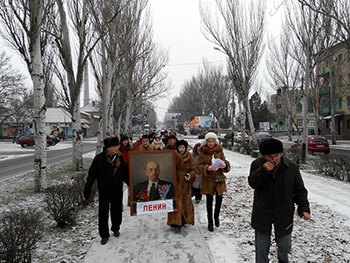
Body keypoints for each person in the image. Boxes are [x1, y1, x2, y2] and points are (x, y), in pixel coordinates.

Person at [248, 138, 311, 263]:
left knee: (284, 246)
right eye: (270, 156)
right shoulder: (257, 165)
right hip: (263, 211)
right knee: (261, 247)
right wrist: (263, 170)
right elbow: (253, 183)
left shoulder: (291, 167)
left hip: (284, 212)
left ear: (281, 154)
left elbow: (299, 190)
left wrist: (304, 208)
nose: (274, 159)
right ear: (264, 156)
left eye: (276, 155)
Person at [84, 136, 129, 245]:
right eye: (114, 146)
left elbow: (126, 174)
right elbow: (92, 175)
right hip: (104, 190)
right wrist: (88, 188)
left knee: (117, 210)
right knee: (103, 212)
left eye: (117, 146)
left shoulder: (120, 158)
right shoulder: (99, 159)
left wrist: (132, 185)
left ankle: (116, 228)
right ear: (108, 148)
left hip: (117, 189)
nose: (116, 148)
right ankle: (104, 234)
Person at [197, 132, 230, 232]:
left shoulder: (219, 150)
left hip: (219, 178)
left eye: (212, 141)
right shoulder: (202, 151)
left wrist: (225, 165)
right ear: (206, 142)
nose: (211, 143)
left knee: (219, 199)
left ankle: (216, 217)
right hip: (208, 179)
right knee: (209, 200)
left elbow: (224, 160)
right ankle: (210, 221)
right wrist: (207, 168)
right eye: (209, 141)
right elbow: (199, 165)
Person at [167, 139, 196, 232]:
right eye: (180, 147)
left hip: (186, 184)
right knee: (176, 202)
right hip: (175, 182)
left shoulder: (189, 157)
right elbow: (169, 168)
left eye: (183, 147)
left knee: (185, 202)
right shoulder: (173, 156)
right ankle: (175, 222)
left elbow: (193, 169)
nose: (181, 149)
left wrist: (190, 175)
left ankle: (183, 220)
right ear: (177, 148)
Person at [119, 134, 134, 206]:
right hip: (120, 169)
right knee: (119, 186)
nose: (125, 142)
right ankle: (120, 202)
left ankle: (130, 199)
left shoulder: (130, 148)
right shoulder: (119, 149)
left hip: (129, 168)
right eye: (123, 141)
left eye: (126, 140)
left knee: (130, 185)